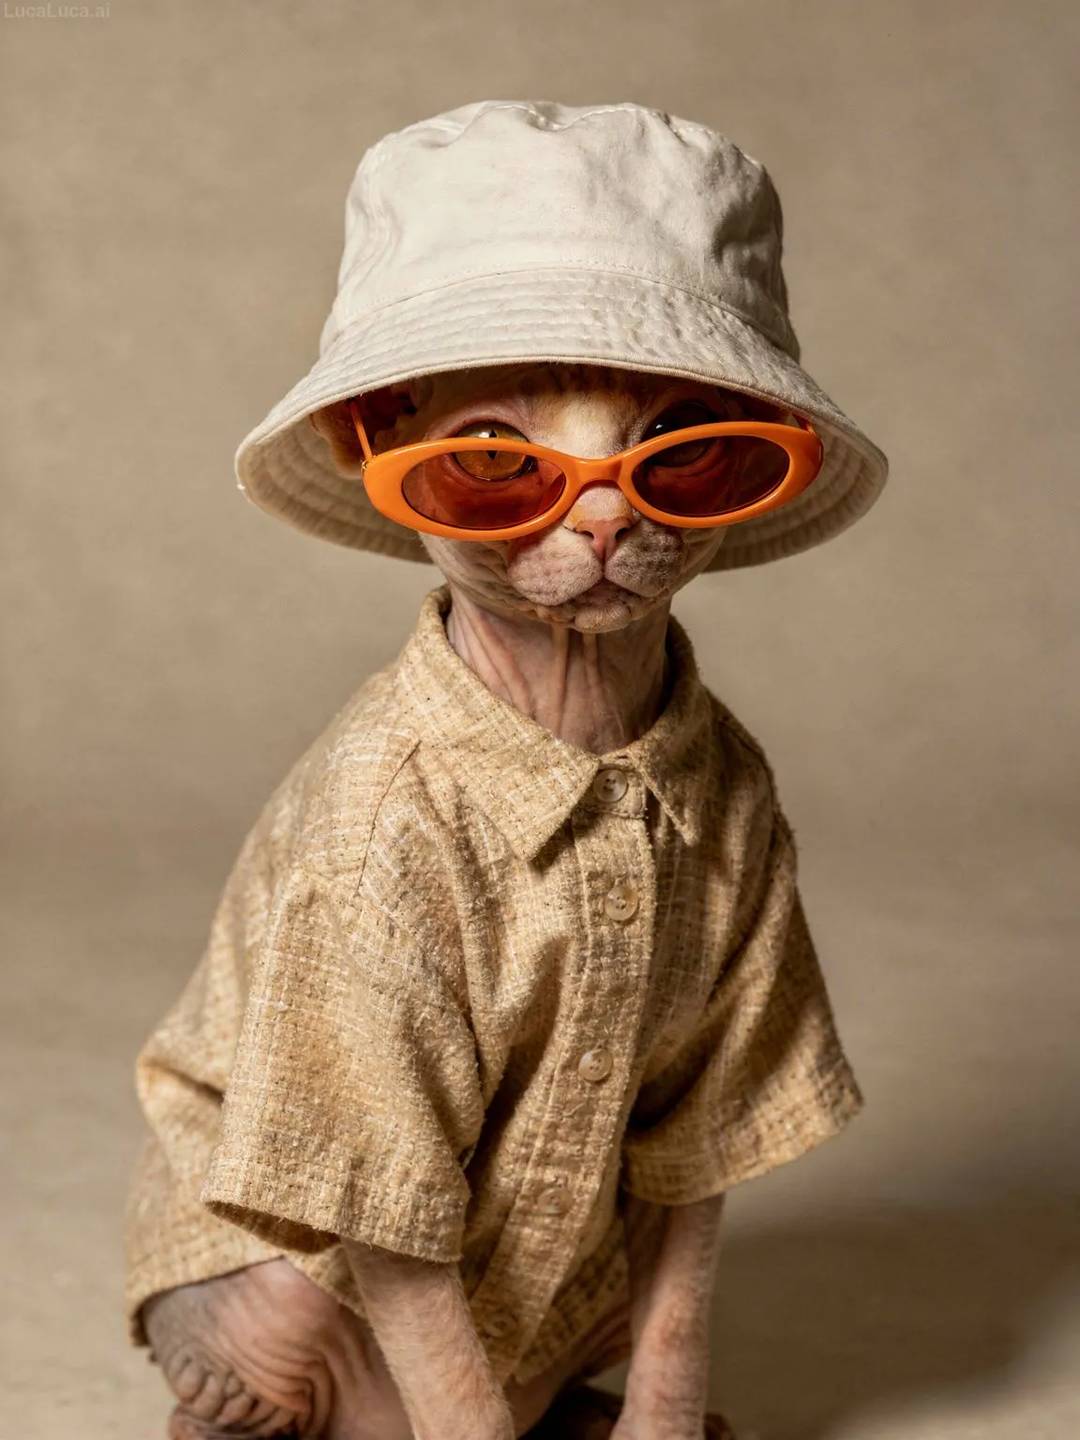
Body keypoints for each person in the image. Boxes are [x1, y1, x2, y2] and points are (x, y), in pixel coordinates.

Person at [125, 99, 889, 1440]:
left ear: (764, 445)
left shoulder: (725, 788)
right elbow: (364, 1187)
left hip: (533, 1262)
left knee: (608, 1282)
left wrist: (664, 1409)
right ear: (377, 433)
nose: (603, 519)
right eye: (495, 460)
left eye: (685, 451)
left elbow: (702, 1130)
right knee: (275, 1310)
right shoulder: (384, 815)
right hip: (318, 1281)